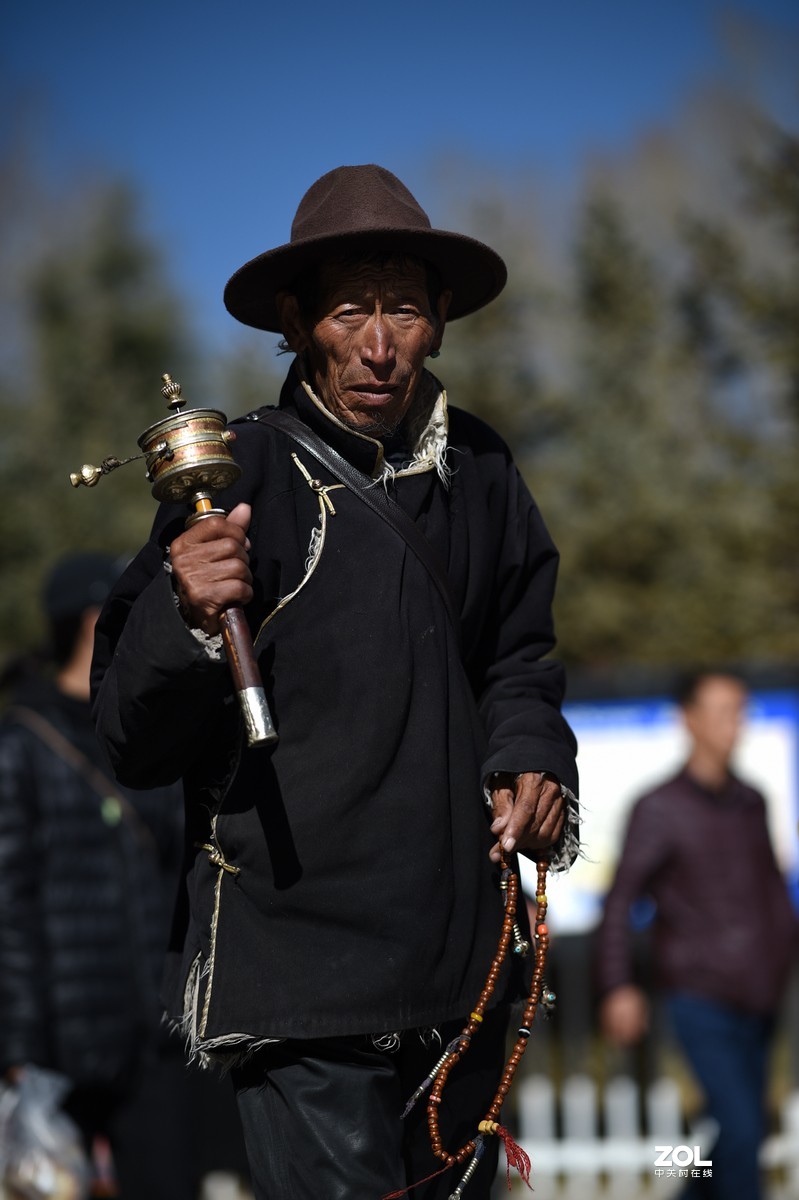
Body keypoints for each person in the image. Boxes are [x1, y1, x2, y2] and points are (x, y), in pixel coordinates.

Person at [90, 163, 580, 1200]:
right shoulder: (248, 475)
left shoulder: (482, 474)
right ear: (296, 320)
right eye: (350, 308)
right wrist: (183, 618)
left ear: (440, 320)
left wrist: (532, 755)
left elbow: (519, 660)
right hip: (300, 972)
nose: (377, 342)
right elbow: (131, 738)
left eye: (403, 306)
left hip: (458, 964)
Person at [0, 552, 251, 1198]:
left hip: (152, 1036)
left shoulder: (146, 733)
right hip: (57, 1048)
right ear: (94, 621)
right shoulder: (20, 744)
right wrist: (20, 1052)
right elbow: (9, 912)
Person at [595, 670, 798, 1200]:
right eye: (722, 710)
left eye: (741, 710)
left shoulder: (752, 801)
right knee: (741, 1129)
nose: (735, 724)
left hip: (761, 992)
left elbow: (772, 894)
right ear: (689, 718)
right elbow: (620, 900)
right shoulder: (659, 807)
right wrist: (618, 985)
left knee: (737, 1133)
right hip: (698, 993)